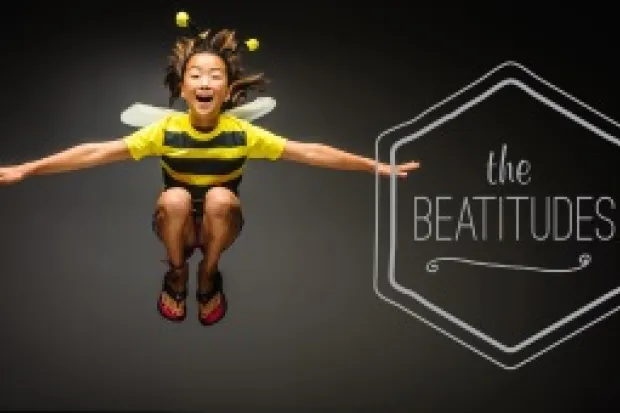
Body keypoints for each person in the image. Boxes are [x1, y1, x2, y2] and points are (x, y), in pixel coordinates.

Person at [0, 17, 420, 327]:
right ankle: (178, 270)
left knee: (220, 197)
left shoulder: (243, 134)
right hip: (176, 225)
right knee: (176, 197)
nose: (205, 81)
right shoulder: (164, 131)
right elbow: (94, 152)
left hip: (222, 223)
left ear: (227, 89)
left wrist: (375, 166)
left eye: (215, 75)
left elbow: (309, 152)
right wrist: (27, 169)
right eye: (195, 74)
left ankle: (209, 272)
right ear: (182, 88)